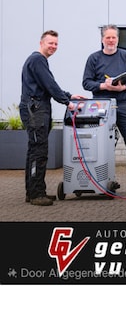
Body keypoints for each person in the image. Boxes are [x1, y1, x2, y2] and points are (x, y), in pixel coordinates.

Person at [19, 30, 84, 206]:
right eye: (50, 43)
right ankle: (36, 194)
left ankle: (33, 191)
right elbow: (50, 85)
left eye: (56, 44)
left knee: (34, 151)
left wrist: (69, 96)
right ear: (41, 43)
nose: (54, 46)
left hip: (36, 108)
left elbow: (47, 85)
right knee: (38, 152)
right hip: (36, 110)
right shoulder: (38, 60)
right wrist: (67, 102)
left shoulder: (37, 60)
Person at [82, 24, 126, 193]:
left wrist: (123, 87)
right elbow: (86, 82)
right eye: (107, 37)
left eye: (113, 37)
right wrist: (103, 85)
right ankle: (100, 180)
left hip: (123, 104)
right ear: (102, 39)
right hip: (101, 106)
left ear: (118, 39)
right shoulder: (93, 58)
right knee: (100, 145)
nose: (111, 40)